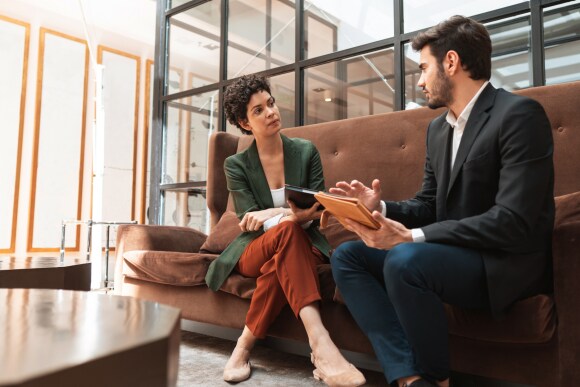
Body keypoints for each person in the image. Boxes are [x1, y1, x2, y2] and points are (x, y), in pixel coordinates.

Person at [329, 15, 554, 387]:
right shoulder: (437, 129)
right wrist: (379, 209)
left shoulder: (519, 115)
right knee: (347, 256)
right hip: (449, 254)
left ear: (451, 62)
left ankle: (438, 378)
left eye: (423, 68)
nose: (419, 81)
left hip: (500, 262)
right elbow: (430, 203)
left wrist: (411, 238)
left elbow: (512, 220)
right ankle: (410, 377)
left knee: (404, 259)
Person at [205, 74, 366, 386]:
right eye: (258, 111)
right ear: (244, 122)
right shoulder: (236, 165)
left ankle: (243, 347)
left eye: (271, 103)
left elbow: (319, 209)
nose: (270, 113)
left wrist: (278, 213)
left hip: (304, 242)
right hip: (255, 247)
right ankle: (320, 343)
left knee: (282, 257)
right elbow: (250, 219)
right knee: (286, 234)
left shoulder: (305, 152)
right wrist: (289, 215)